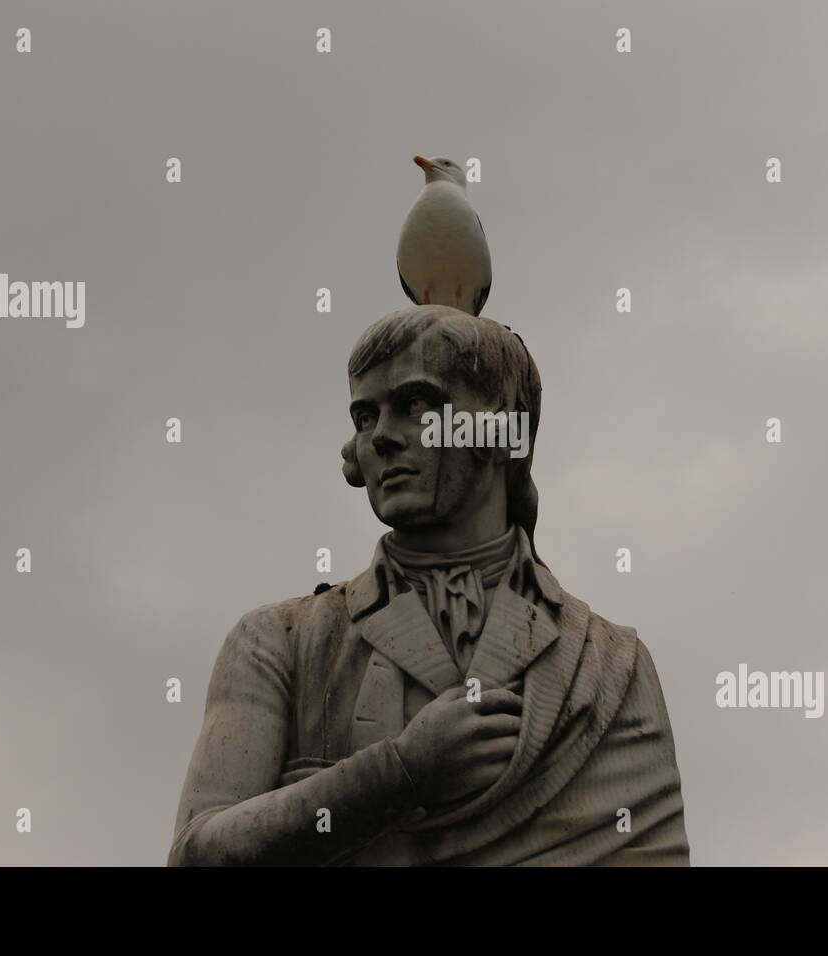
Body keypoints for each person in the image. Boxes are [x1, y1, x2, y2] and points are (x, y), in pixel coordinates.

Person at [168, 304, 688, 865]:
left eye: (416, 404)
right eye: (365, 417)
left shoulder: (611, 665)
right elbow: (197, 856)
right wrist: (400, 774)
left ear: (499, 428)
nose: (383, 437)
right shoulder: (279, 642)